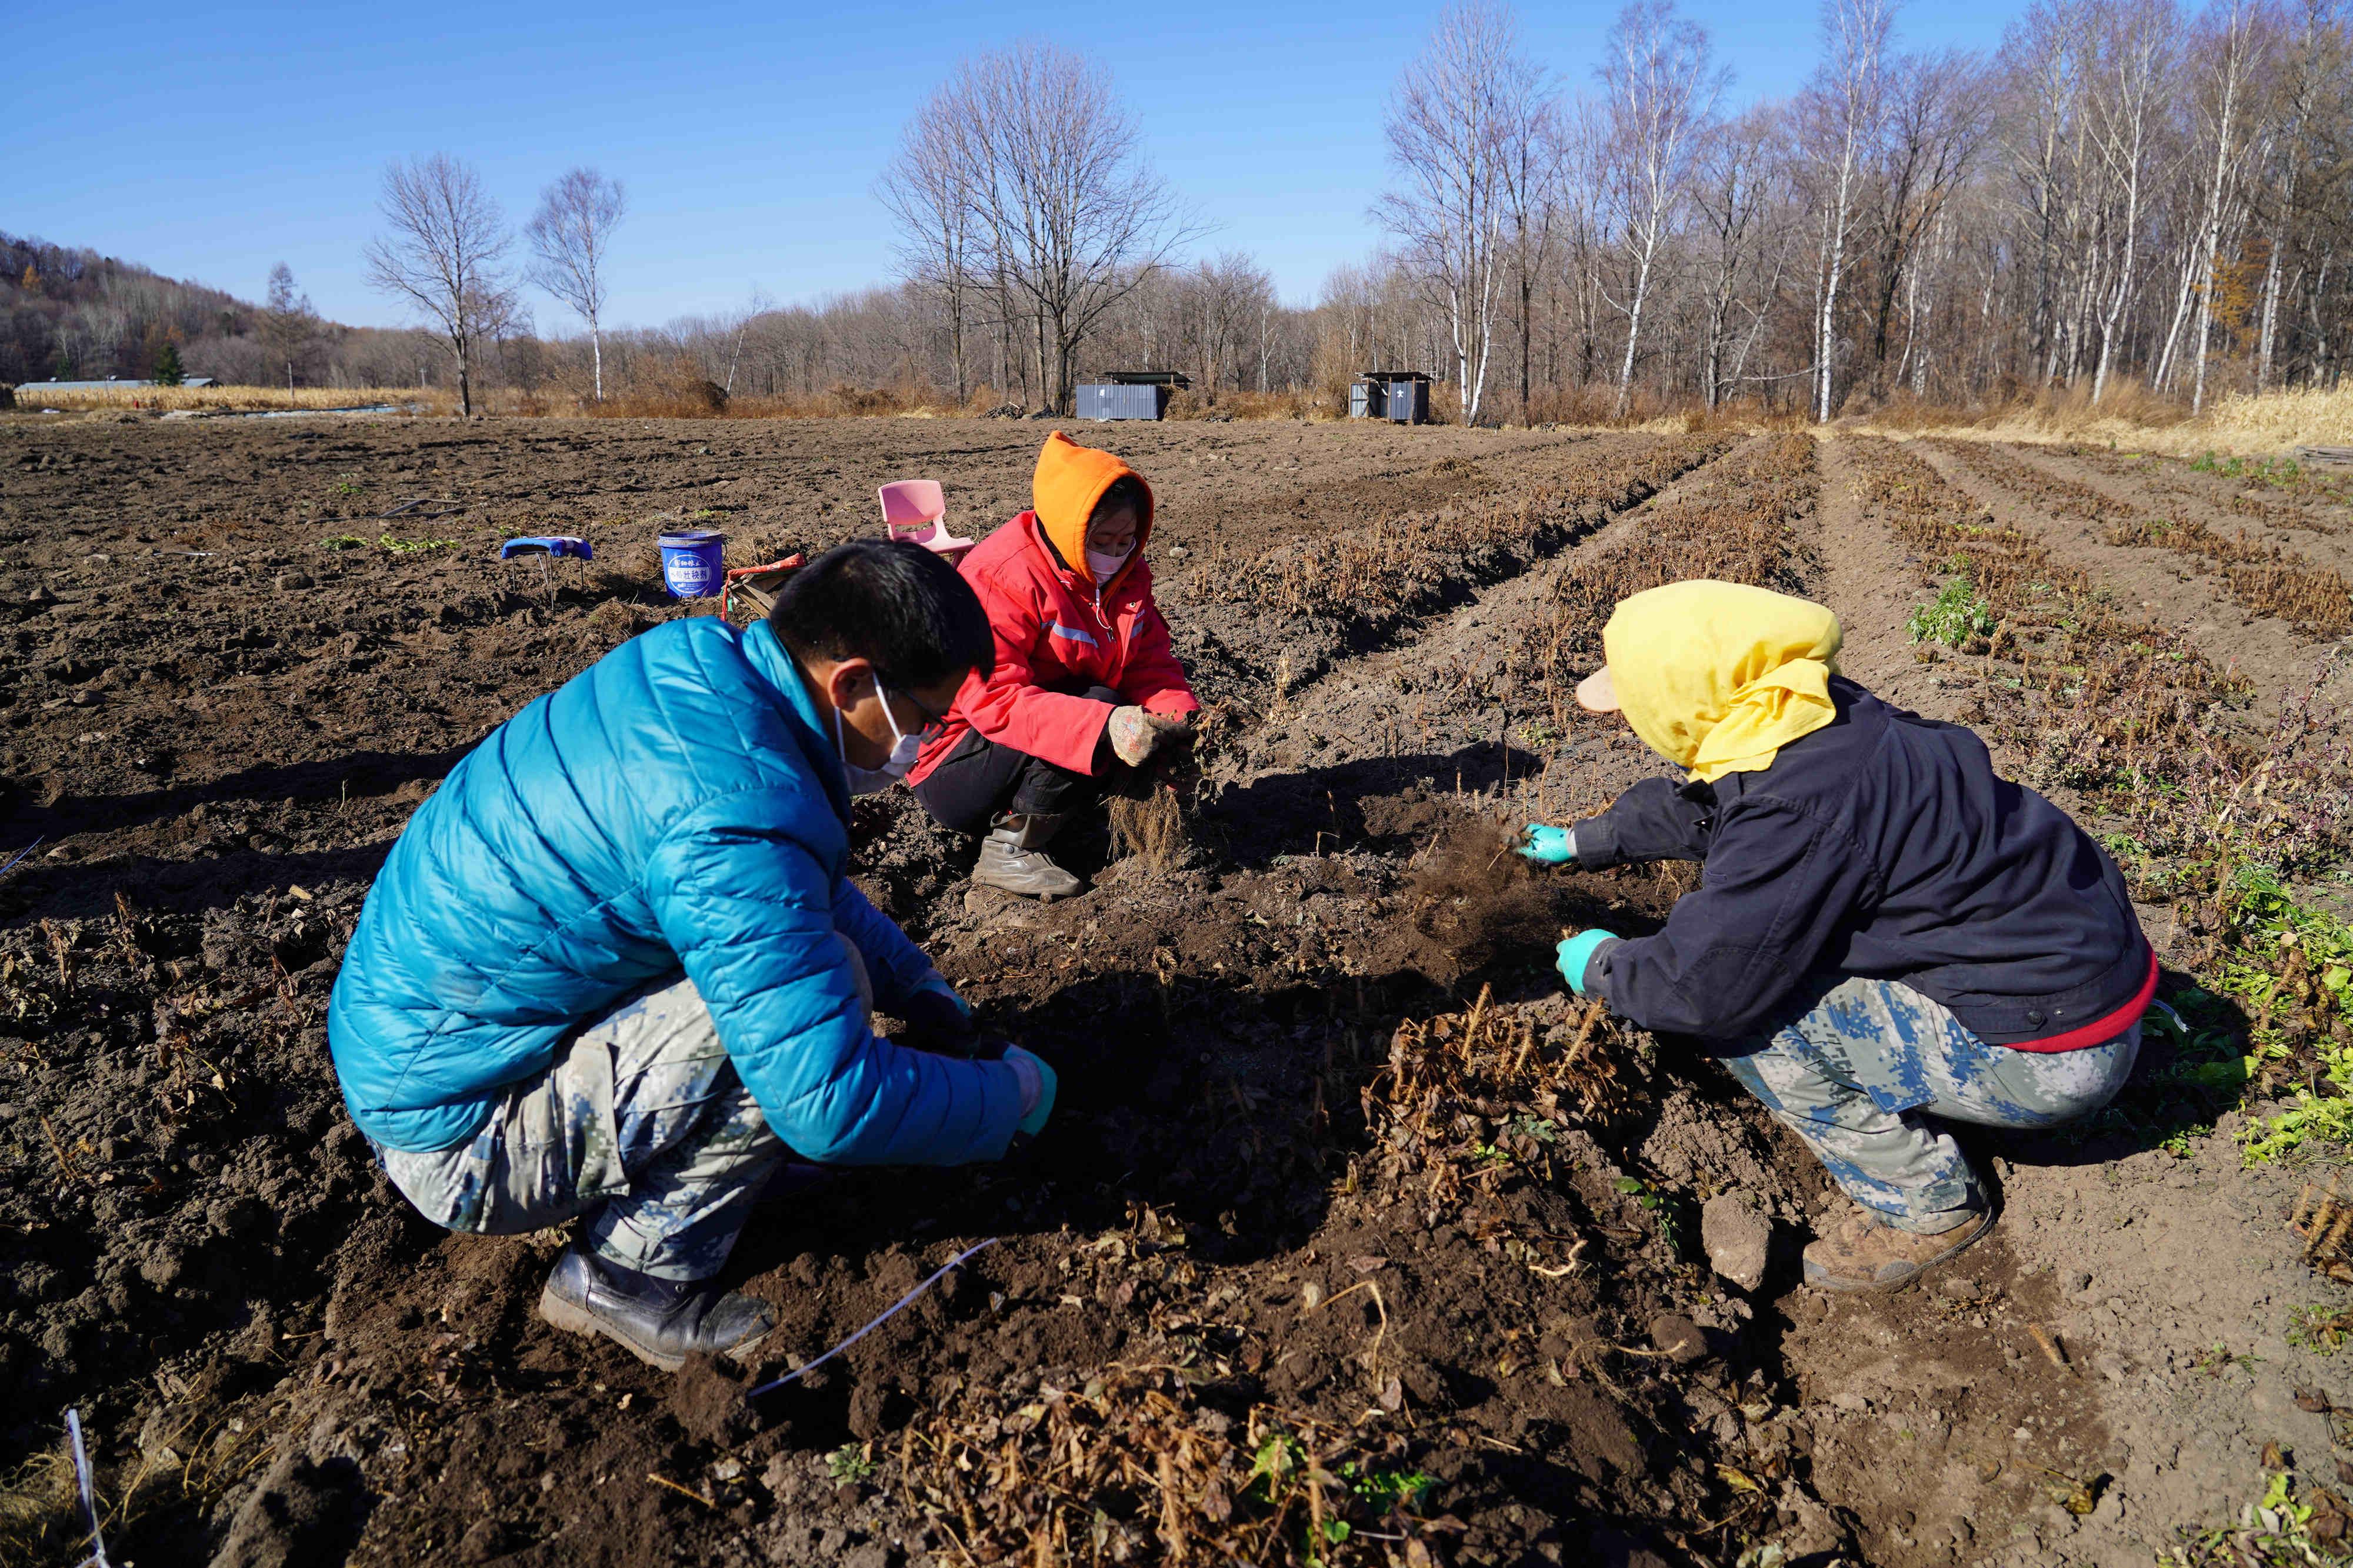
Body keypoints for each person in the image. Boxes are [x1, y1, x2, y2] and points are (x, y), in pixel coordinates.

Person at [327, 541, 1058, 1371]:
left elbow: (786, 887)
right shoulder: (731, 809)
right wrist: (1011, 1095)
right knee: (803, 1016)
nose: (923, 742)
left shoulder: (704, 671)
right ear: (852, 683)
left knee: (795, 974)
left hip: (423, 1046)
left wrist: (922, 987)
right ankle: (630, 1269)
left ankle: (700, 1165)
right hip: (460, 1136)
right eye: (923, 718)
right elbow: (828, 1100)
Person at [1519, 580, 2152, 1292]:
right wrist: (1588, 839)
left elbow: (1696, 987)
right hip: (2092, 983)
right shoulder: (1815, 713)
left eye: (1636, 699)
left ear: (1684, 697)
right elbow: (1726, 809)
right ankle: (1937, 1082)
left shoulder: (1795, 807)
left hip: (2054, 1057)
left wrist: (1600, 963)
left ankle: (1927, 1204)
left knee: (1752, 1010)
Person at [909, 431, 1199, 899]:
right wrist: (1105, 723)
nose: (1116, 552)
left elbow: (1150, 662)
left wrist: (1180, 726)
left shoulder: (1127, 576)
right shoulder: (1003, 575)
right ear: (1069, 529)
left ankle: (1066, 820)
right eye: (1102, 539)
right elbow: (993, 700)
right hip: (956, 760)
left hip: (1035, 731)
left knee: (1124, 710)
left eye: (1127, 538)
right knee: (1102, 708)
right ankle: (1009, 847)